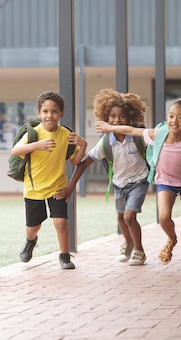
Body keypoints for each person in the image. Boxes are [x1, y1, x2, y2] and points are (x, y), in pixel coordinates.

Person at [96, 99, 181, 272]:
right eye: (171, 116)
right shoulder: (158, 134)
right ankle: (172, 238)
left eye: (180, 117)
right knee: (164, 217)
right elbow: (131, 130)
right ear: (167, 119)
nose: (174, 120)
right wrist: (110, 128)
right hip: (165, 183)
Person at [55, 89, 149, 266]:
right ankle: (128, 242)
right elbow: (83, 163)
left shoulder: (136, 137)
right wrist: (70, 187)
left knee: (129, 217)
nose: (116, 120)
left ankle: (139, 250)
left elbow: (155, 142)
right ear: (106, 118)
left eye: (121, 116)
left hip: (139, 181)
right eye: (112, 116)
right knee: (121, 218)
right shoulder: (105, 142)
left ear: (129, 118)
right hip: (119, 184)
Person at [11, 90, 87, 269]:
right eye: (45, 111)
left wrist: (83, 145)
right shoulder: (33, 133)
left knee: (61, 222)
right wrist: (36, 145)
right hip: (34, 188)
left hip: (57, 186)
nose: (49, 115)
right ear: (39, 113)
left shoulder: (66, 134)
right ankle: (30, 241)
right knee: (33, 227)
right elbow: (15, 151)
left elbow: (75, 161)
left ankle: (65, 256)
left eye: (54, 111)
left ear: (61, 113)